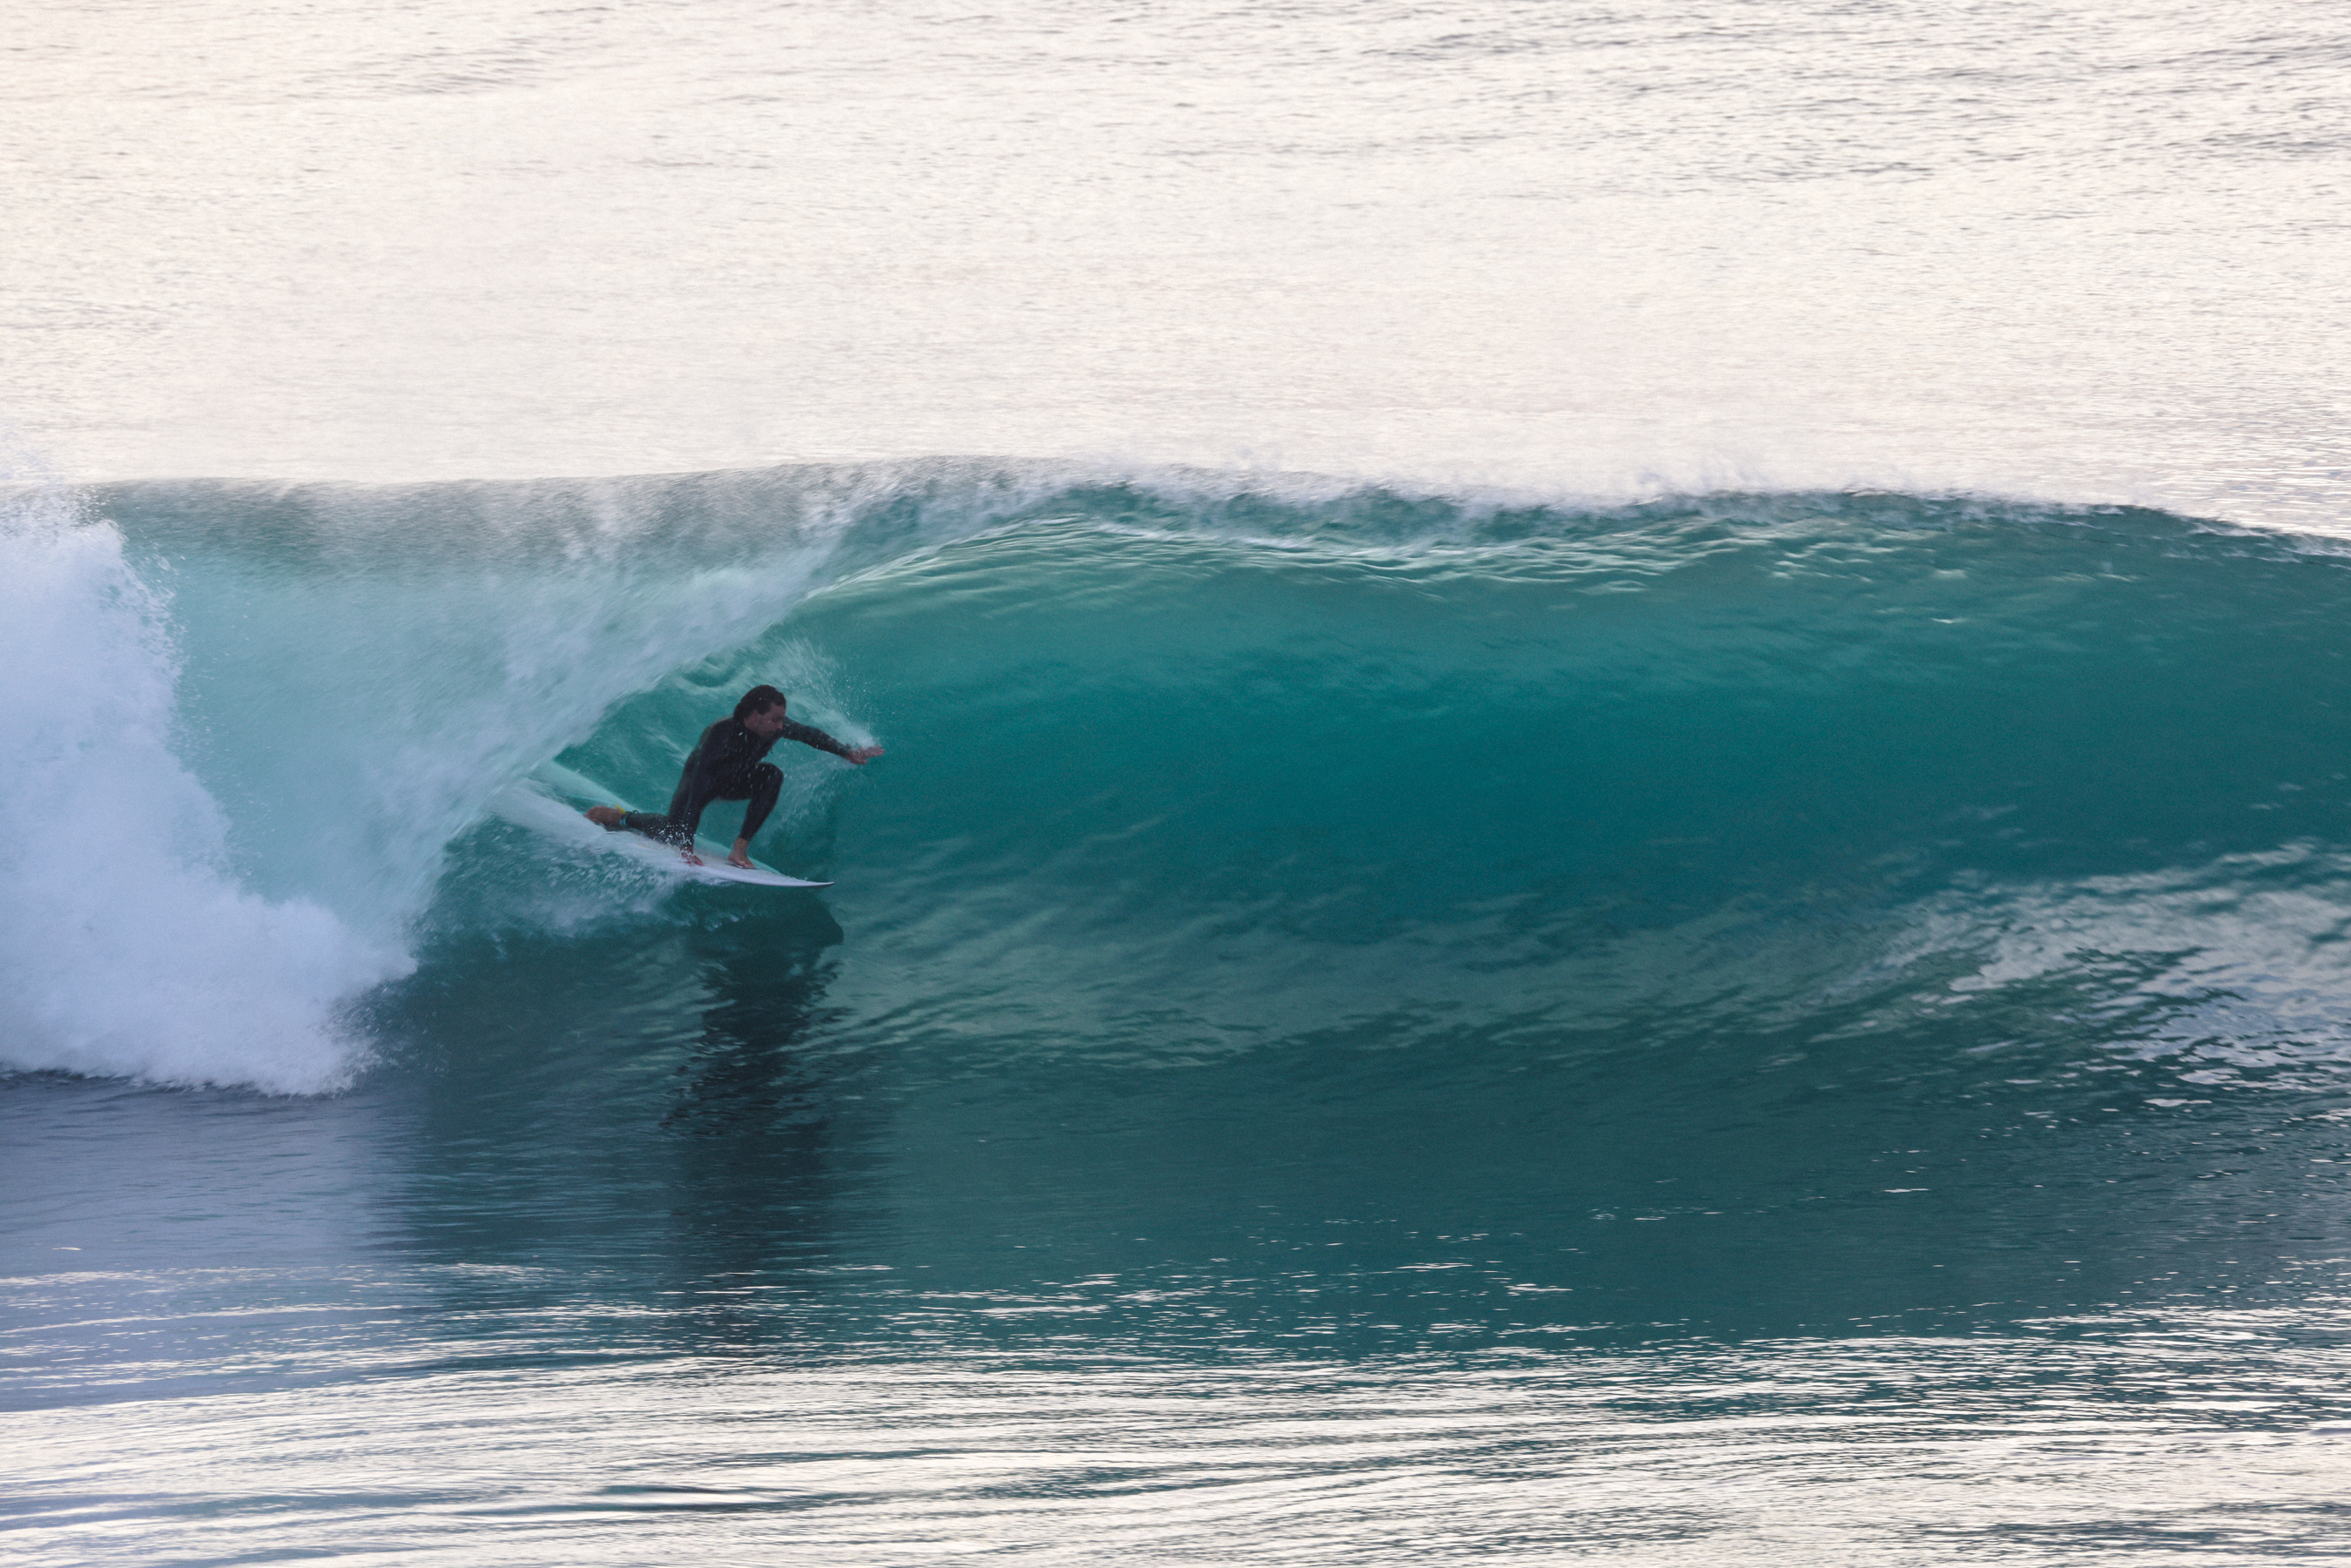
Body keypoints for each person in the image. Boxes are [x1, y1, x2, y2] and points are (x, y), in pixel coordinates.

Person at [587, 684, 883, 868]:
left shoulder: (773, 726)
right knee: (673, 832)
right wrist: (686, 844)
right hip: (699, 785)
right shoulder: (721, 734)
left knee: (772, 775)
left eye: (783, 718)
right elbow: (698, 788)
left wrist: (846, 752)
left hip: (735, 781)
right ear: (754, 715)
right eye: (775, 719)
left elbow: (808, 734)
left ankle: (740, 848)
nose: (782, 726)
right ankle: (620, 818)